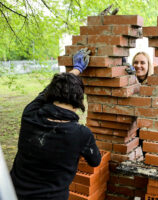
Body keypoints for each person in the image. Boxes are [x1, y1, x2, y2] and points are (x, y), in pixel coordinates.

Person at [10, 48, 101, 200]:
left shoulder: (30, 114)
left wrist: (76, 70)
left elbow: (43, 93)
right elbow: (95, 161)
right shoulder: (81, 134)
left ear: (52, 95)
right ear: (79, 102)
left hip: (13, 194)